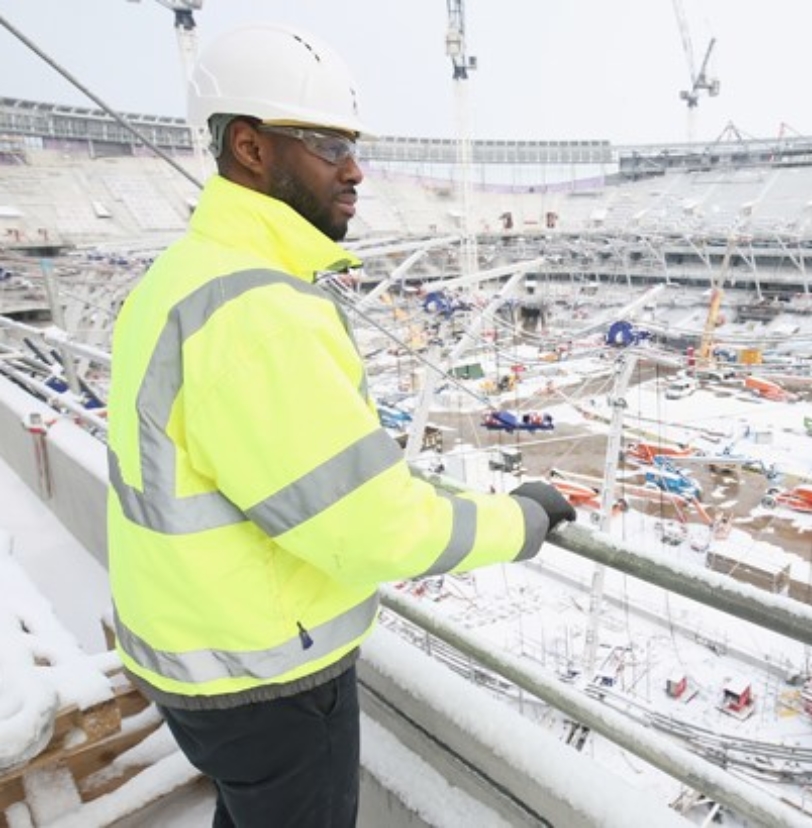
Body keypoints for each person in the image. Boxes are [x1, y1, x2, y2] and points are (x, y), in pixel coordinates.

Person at [105, 23, 575, 828]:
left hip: (191, 648)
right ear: (250, 148)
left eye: (353, 145)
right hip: (264, 676)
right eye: (327, 143)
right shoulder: (258, 309)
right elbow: (370, 528)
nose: (355, 170)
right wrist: (520, 521)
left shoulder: (186, 273)